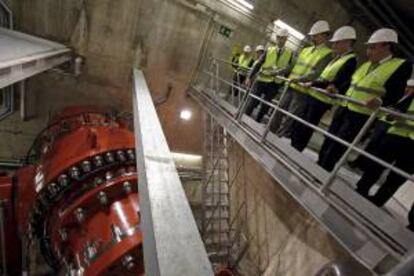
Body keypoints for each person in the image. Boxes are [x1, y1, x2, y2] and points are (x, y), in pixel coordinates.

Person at [317, 28, 412, 172]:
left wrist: (380, 101)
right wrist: (336, 88)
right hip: (344, 107)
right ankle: (317, 167)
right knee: (329, 139)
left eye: (373, 47)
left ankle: (323, 173)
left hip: (361, 115)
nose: (368, 51)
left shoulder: (400, 65)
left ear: (387, 46)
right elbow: (351, 82)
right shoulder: (366, 64)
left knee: (338, 146)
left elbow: (396, 92)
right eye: (368, 47)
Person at [290, 26, 358, 152]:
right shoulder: (338, 58)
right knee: (300, 123)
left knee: (307, 126)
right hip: (314, 94)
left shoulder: (350, 61)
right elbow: (324, 76)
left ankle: (296, 149)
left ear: (348, 42)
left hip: (321, 100)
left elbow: (335, 81)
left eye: (337, 42)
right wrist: (314, 84)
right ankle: (293, 146)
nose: (334, 45)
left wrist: (313, 83)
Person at [355, 79, 414, 207]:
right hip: (397, 135)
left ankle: (378, 200)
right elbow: (397, 109)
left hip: (407, 144)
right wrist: (393, 113)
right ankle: (362, 188)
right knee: (377, 164)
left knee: (397, 176)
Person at [269, 20, 333, 137]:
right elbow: (292, 66)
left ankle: (278, 138)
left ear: (325, 35)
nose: (313, 37)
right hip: (290, 85)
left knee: (290, 117)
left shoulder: (327, 54)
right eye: (312, 35)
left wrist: (299, 80)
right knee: (278, 110)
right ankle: (269, 133)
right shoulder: (305, 50)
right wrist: (277, 72)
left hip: (302, 91)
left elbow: (316, 73)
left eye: (315, 35)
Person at [244, 29, 293, 122]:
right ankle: (244, 118)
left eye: (282, 38)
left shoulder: (289, 53)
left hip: (275, 83)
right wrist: (249, 77)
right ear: (276, 38)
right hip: (262, 79)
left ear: (286, 39)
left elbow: (289, 69)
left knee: (266, 105)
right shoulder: (269, 50)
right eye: (278, 37)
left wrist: (283, 81)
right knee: (253, 101)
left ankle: (257, 122)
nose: (280, 40)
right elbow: (258, 64)